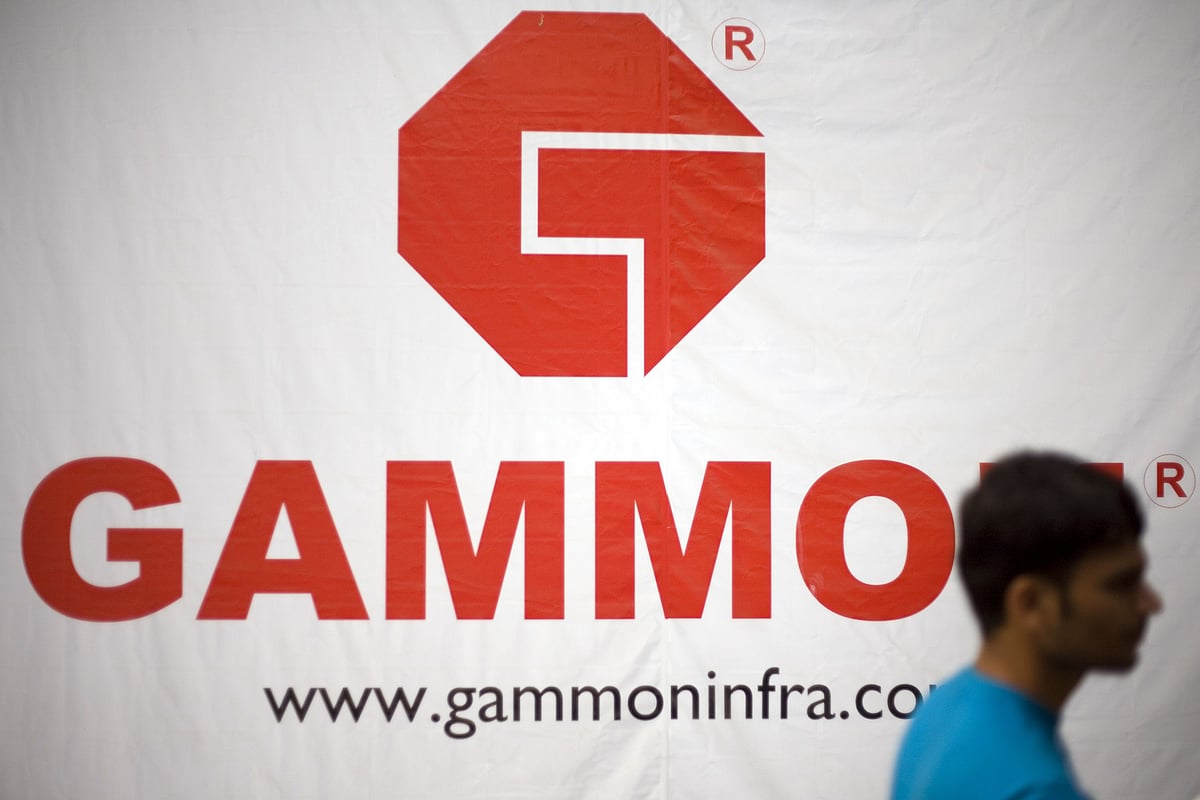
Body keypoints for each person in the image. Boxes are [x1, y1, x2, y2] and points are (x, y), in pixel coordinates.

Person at [891, 451, 1162, 800]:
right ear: (1031, 604)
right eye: (1122, 584)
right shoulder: (1037, 789)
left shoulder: (943, 709)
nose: (1151, 604)